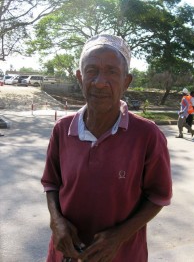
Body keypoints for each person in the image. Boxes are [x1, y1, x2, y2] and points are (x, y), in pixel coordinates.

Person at [41, 34, 172, 262]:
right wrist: (56, 221)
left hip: (123, 254)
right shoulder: (62, 129)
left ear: (126, 81)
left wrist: (118, 236)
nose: (100, 82)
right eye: (92, 71)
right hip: (66, 253)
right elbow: (51, 183)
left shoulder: (147, 135)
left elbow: (158, 196)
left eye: (112, 72)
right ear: (80, 77)